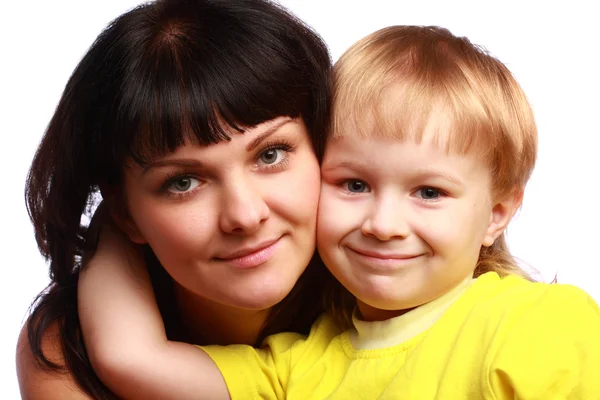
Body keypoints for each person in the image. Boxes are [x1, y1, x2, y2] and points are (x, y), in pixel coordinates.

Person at [79, 24, 600, 399]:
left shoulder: (538, 326)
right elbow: (131, 359)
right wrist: (117, 221)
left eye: (429, 193)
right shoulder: (296, 364)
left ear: (497, 213)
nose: (383, 224)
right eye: (354, 184)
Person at [16, 0, 332, 398]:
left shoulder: (408, 291)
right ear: (123, 211)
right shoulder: (69, 353)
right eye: (182, 182)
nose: (246, 215)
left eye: (271, 155)